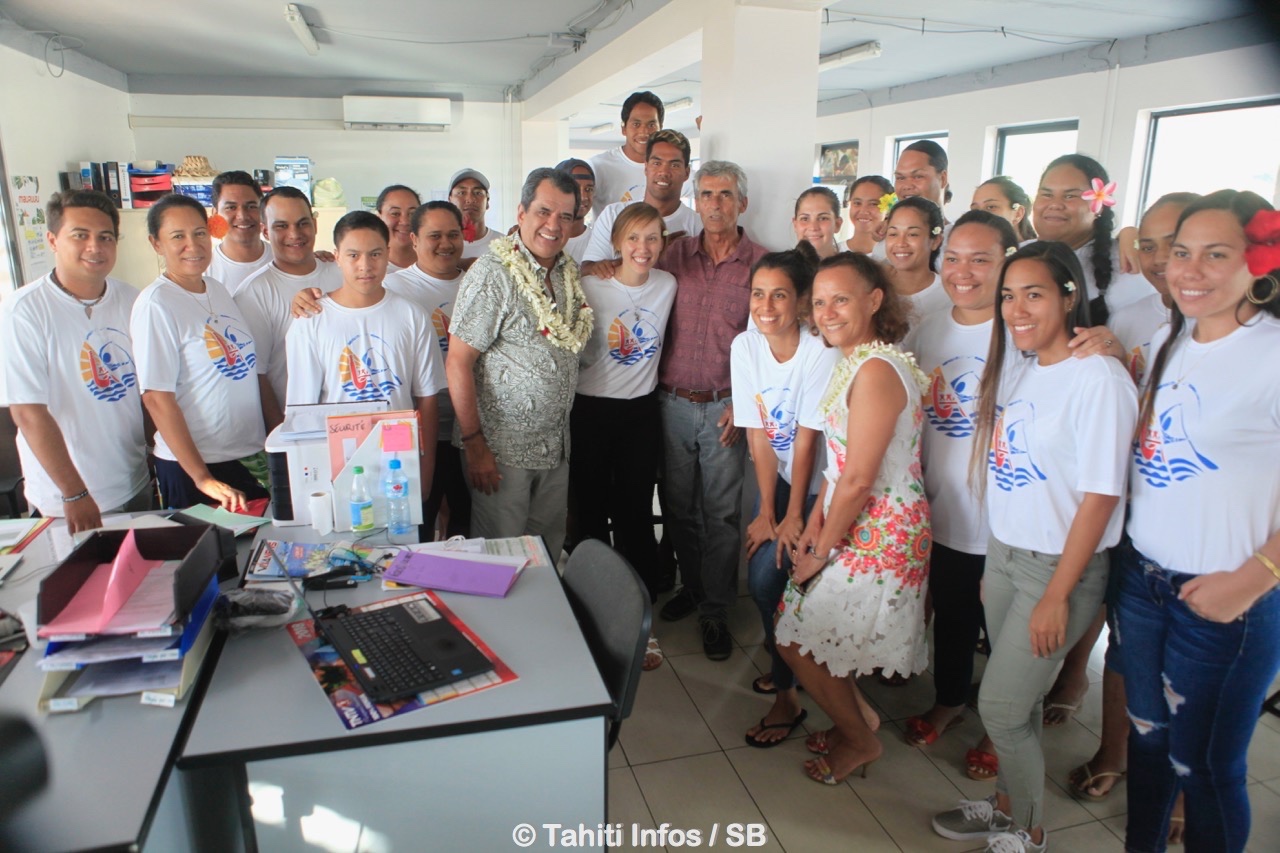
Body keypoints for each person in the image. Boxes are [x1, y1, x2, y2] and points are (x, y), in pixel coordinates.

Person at [932, 241, 1137, 853]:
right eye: (1009, 295)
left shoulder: (1097, 378)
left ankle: (1030, 830)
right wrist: (997, 563)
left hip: (1058, 571)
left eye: (1035, 293)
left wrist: (1057, 594)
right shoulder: (1022, 364)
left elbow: (1100, 496)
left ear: (1071, 296)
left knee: (999, 706)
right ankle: (1004, 806)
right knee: (1013, 703)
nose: (1017, 308)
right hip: (1007, 555)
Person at [1118, 189, 1280, 853]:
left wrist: (1253, 577)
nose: (1189, 269)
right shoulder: (1170, 336)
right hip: (1144, 580)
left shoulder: (1271, 354)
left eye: (1217, 255)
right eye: (1181, 252)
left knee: (1206, 768)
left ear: (1259, 262)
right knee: (1147, 744)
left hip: (1225, 601)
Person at [774, 252, 929, 784]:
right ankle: (856, 717)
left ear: (874, 299)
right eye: (818, 302)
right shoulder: (856, 361)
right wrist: (815, 521)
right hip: (857, 518)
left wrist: (818, 551)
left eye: (841, 298)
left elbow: (860, 478)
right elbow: (838, 464)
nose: (827, 311)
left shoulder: (878, 369)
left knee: (798, 640)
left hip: (884, 528)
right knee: (802, 632)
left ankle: (861, 740)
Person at [900, 210, 1018, 782]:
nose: (963, 271)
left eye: (981, 259)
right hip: (942, 510)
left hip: (1008, 522)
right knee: (951, 616)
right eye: (954, 258)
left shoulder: (1023, 329)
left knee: (1006, 634)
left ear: (1008, 264)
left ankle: (1005, 728)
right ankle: (949, 701)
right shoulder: (929, 327)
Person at [652, 160, 767, 661]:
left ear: (741, 202)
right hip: (671, 403)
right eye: (706, 194)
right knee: (678, 508)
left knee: (720, 514)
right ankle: (694, 589)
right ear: (695, 201)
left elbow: (768, 345)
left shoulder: (762, 264)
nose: (714, 204)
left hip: (726, 408)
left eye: (724, 195)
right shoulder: (673, 254)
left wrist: (743, 407)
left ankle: (716, 610)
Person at [445, 167, 588, 561]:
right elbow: (458, 361)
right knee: (501, 558)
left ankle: (544, 623)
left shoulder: (565, 272)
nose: (553, 225)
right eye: (544, 211)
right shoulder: (493, 274)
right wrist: (475, 445)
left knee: (545, 552)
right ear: (521, 212)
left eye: (565, 216)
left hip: (554, 448)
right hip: (500, 452)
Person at [733, 243, 839, 746]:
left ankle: (792, 690)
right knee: (762, 576)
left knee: (781, 581)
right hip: (776, 479)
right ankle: (787, 677)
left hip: (821, 487)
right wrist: (767, 512)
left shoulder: (819, 351)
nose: (766, 306)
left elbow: (807, 437)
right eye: (758, 294)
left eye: (779, 295)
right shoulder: (745, 347)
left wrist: (793, 515)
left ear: (800, 302)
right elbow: (758, 431)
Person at [0, 190, 151, 532]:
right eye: (80, 235)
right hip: (69, 501)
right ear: (53, 240)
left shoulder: (131, 299)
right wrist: (73, 492)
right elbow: (27, 412)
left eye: (105, 237)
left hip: (134, 481)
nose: (94, 247)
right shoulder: (23, 311)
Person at [570, 203, 677, 669]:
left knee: (634, 517)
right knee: (588, 515)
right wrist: (582, 266)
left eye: (652, 238)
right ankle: (591, 616)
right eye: (633, 238)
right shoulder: (589, 284)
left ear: (664, 243)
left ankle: (641, 625)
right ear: (616, 242)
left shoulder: (668, 285)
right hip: (589, 411)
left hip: (640, 414)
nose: (643, 248)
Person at [285, 210, 442, 494]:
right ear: (336, 256)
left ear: (388, 253)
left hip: (399, 465)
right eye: (353, 255)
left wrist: (426, 469)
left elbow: (427, 399)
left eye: (375, 254)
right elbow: (301, 412)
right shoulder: (311, 320)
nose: (365, 265)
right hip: (337, 468)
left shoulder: (412, 316)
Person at [131, 193, 270, 511]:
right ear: (156, 244)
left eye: (199, 233)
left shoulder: (216, 289)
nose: (192, 246)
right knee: (213, 558)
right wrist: (201, 477)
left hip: (244, 455)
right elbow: (156, 396)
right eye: (177, 236)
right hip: (198, 468)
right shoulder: (156, 304)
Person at [382, 201, 470, 539]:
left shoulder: (479, 282)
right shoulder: (392, 288)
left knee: (468, 526)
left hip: (469, 433)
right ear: (414, 239)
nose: (445, 244)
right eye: (434, 235)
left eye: (453, 234)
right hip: (416, 434)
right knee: (417, 526)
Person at [232, 186, 342, 428]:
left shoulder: (342, 271)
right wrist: (282, 434)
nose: (294, 234)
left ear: (314, 224)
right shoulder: (253, 293)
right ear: (264, 231)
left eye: (302, 223)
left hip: (350, 424)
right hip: (296, 428)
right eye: (281, 226)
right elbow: (256, 376)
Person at [1031, 154, 1151, 315]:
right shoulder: (1014, 255)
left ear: (1099, 206)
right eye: (1046, 194)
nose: (1055, 204)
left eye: (1070, 196)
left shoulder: (1128, 267)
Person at [582, 129, 701, 269]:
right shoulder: (613, 215)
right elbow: (588, 271)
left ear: (686, 173)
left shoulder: (698, 226)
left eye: (674, 165)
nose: (664, 172)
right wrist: (655, 253)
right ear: (646, 167)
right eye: (657, 163)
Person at [589, 91, 664, 217]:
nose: (644, 131)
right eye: (636, 124)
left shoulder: (669, 167)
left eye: (651, 125)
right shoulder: (598, 166)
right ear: (624, 129)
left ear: (661, 127)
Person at [884, 196, 950, 322]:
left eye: (912, 234)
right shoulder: (873, 286)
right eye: (893, 234)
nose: (900, 243)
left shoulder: (948, 295)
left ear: (936, 241)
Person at [209, 171, 272, 293]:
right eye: (231, 207)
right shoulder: (203, 271)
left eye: (251, 206)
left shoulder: (283, 260)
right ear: (215, 214)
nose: (242, 216)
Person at [449, 169, 499, 261]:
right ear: (450, 200)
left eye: (478, 193)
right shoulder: (441, 246)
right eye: (461, 193)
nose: (470, 199)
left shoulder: (504, 245)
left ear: (487, 202)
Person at [556, 158, 596, 264]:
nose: (584, 197)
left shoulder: (599, 242)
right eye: (576, 189)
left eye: (588, 189)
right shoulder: (543, 238)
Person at [971, 177, 1036, 242]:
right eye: (975, 210)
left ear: (1018, 214)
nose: (979, 215)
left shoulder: (1036, 251)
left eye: (991, 207)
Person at [843, 175, 893, 257]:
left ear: (888, 209)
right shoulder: (834, 252)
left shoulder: (893, 256)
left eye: (873, 204)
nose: (863, 211)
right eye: (857, 203)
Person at [374, 184, 420, 271]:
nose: (405, 221)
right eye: (395, 213)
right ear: (379, 218)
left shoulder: (434, 263)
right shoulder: (370, 267)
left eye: (412, 213)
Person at [895, 139, 951, 210]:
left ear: (943, 179)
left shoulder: (965, 221)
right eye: (900, 178)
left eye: (918, 177)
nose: (907, 186)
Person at [792, 188, 843, 259]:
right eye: (805, 219)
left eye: (823, 218)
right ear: (795, 225)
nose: (813, 227)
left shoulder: (853, 268)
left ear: (837, 224)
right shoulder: (780, 267)